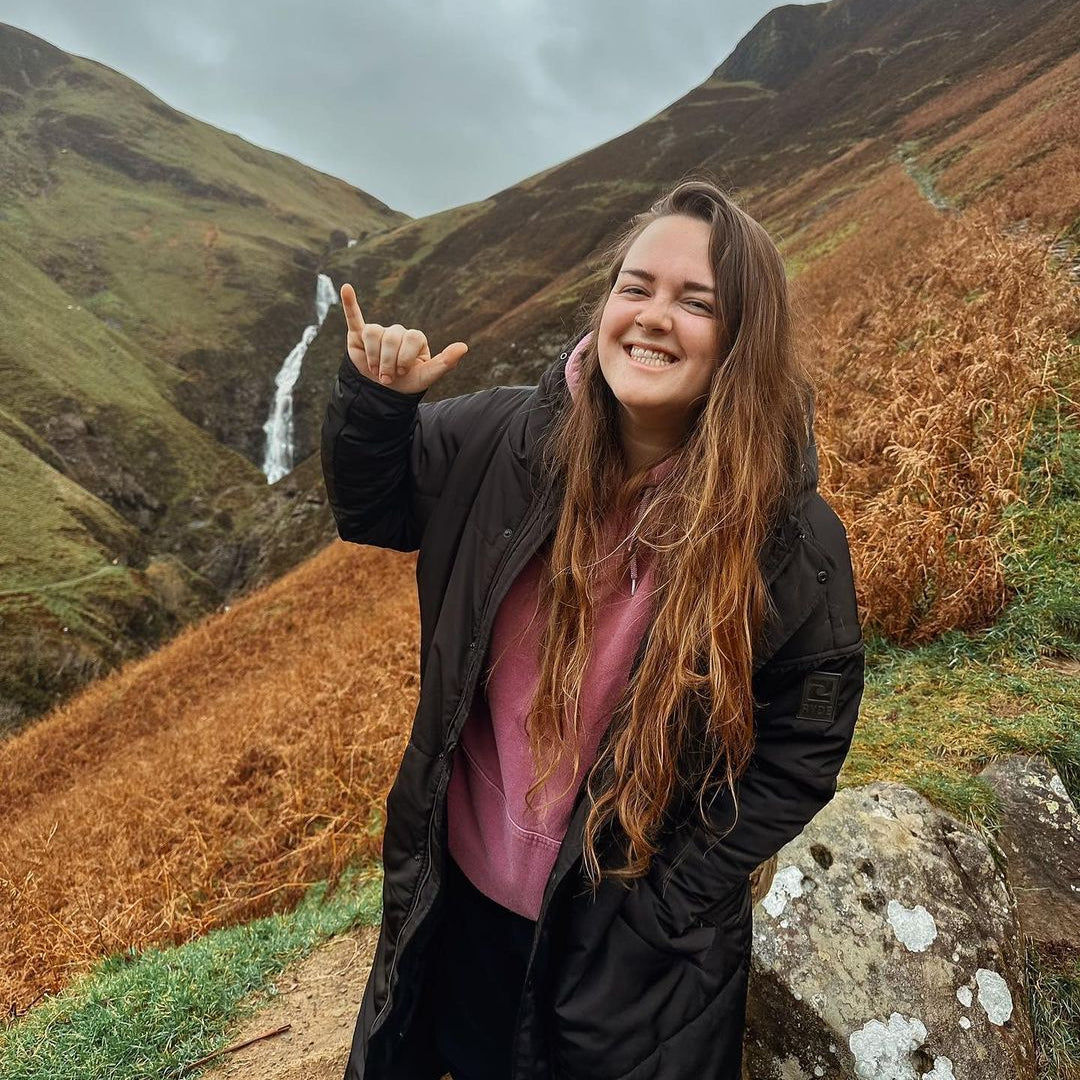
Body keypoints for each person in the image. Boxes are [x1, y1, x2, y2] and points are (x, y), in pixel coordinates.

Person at [321, 176, 864, 1080]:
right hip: (454, 914)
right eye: (635, 287)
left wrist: (673, 897)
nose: (653, 317)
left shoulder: (786, 533)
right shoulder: (504, 441)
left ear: (743, 341)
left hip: (627, 962)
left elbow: (807, 737)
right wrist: (378, 404)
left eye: (697, 302)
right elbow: (376, 508)